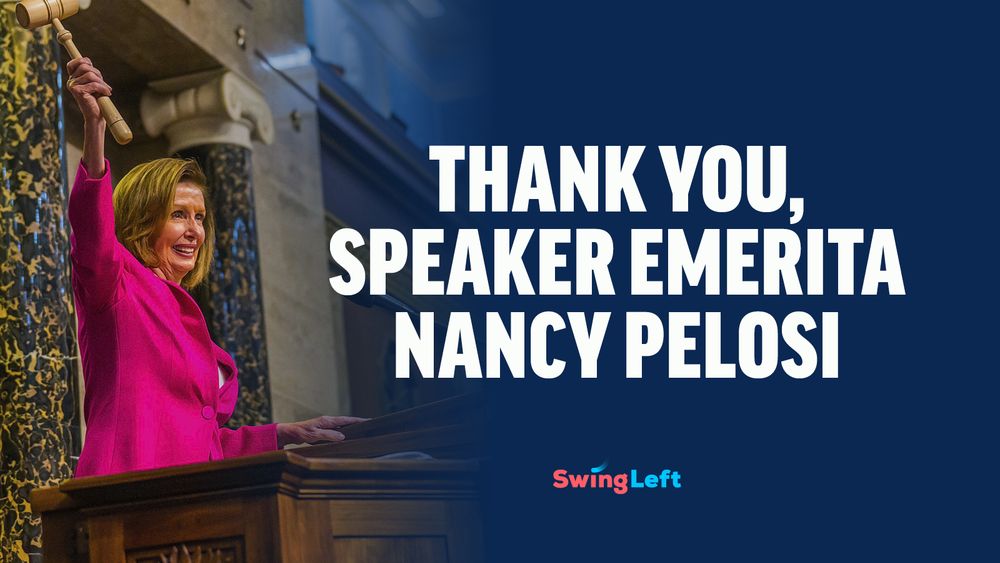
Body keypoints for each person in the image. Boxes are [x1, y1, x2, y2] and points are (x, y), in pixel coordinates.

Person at [65, 57, 364, 477]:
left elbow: (201, 443)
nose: (193, 231)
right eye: (178, 214)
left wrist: (282, 434)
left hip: (193, 501)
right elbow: (91, 230)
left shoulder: (186, 313)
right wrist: (95, 129)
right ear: (141, 219)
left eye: (200, 218)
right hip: (124, 497)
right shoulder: (116, 284)